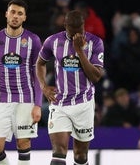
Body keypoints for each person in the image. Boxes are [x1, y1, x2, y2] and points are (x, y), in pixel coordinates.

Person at [0, 0, 42, 165]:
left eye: (20, 14)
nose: (15, 16)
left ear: (24, 18)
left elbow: (38, 74)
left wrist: (38, 104)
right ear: (6, 14)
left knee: (23, 143)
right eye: (12, 12)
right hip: (1, 98)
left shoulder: (33, 40)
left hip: (26, 99)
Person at [36, 10, 104, 165]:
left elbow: (96, 77)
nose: (75, 35)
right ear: (64, 25)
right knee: (59, 152)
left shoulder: (96, 42)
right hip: (59, 104)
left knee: (80, 156)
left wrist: (79, 51)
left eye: (79, 30)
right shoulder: (52, 41)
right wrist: (43, 86)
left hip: (84, 103)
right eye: (72, 31)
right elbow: (40, 63)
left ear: (83, 25)